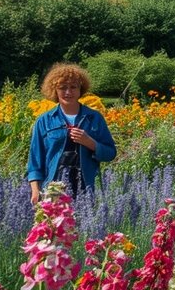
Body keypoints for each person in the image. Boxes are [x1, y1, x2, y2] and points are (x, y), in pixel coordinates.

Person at [27, 62, 116, 203]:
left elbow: (110, 153)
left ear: (81, 89)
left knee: (84, 224)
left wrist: (90, 143)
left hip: (85, 188)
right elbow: (35, 161)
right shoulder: (44, 121)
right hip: (53, 190)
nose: (68, 92)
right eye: (62, 88)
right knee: (53, 224)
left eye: (73, 87)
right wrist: (35, 190)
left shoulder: (94, 118)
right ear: (54, 90)